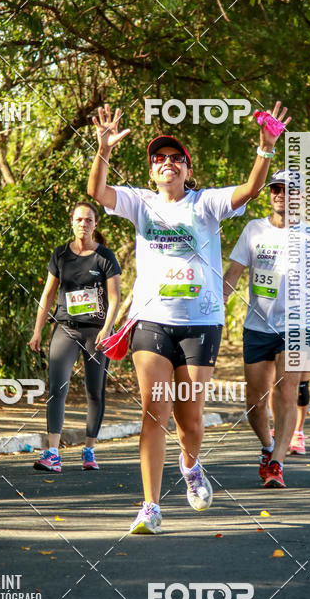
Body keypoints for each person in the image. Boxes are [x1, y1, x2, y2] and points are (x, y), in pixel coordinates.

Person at [88, 102, 290, 534]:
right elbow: (98, 193)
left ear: (187, 169)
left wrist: (266, 147)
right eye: (158, 159)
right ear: (150, 172)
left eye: (175, 158)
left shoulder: (206, 205)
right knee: (153, 411)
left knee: (190, 419)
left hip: (201, 324)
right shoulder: (140, 204)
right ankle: (150, 506)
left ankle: (191, 464)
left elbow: (251, 190)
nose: (167, 163)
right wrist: (102, 150)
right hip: (152, 322)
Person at [223, 170, 310, 488]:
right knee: (255, 402)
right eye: (275, 189)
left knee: (287, 393)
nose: (280, 194)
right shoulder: (253, 230)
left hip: (298, 326)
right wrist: (213, 306)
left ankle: (277, 464)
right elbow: (233, 273)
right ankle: (268, 447)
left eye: (288, 190)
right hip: (258, 326)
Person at [28, 201, 121, 473]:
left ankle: (89, 450)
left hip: (97, 331)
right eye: (79, 219)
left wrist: (107, 329)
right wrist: (37, 330)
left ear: (95, 224)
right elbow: (47, 295)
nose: (83, 224)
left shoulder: (105, 256)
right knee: (57, 388)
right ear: (72, 222)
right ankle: (53, 453)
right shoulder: (60, 255)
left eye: (88, 220)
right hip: (65, 328)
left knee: (95, 390)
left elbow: (115, 298)